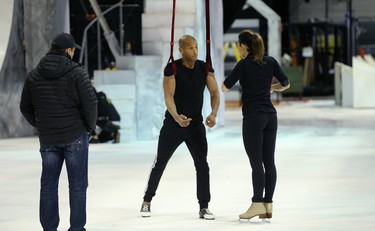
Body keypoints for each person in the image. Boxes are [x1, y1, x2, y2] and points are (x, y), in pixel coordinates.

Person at [20, 32, 98, 231]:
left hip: (48, 139)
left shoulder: (34, 75)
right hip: (75, 136)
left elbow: (25, 107)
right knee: (78, 185)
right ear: (69, 50)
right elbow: (91, 104)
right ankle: (77, 228)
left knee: (48, 185)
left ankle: (49, 228)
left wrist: (42, 125)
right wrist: (88, 127)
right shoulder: (77, 73)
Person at [140, 35, 220, 220]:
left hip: (195, 126)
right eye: (190, 48)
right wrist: (176, 117)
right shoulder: (172, 68)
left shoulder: (204, 67)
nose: (195, 51)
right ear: (181, 50)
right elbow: (168, 96)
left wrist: (214, 113)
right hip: (173, 125)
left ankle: (204, 207)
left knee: (202, 165)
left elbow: (215, 93)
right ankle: (147, 201)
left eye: (196, 47)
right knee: (160, 162)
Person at [221, 30, 290, 220]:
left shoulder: (243, 65)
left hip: (253, 118)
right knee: (269, 161)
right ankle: (268, 205)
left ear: (244, 46)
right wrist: (270, 87)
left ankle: (256, 203)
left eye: (238, 44)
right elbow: (286, 84)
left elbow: (225, 87)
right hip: (270, 116)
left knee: (256, 162)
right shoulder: (271, 62)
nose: (237, 48)